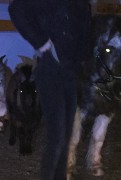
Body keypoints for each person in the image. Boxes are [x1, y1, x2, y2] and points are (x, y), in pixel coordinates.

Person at [8, 0, 91, 179]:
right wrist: (42, 42)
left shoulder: (82, 4)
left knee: (66, 137)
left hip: (71, 75)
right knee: (57, 138)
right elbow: (16, 9)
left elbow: (84, 36)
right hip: (51, 73)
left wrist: (85, 65)